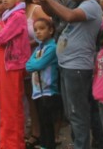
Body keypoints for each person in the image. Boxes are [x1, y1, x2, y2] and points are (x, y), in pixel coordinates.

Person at [36, 0, 103, 149]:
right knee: (71, 112)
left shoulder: (91, 5)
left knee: (77, 113)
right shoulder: (77, 3)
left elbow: (69, 17)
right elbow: (54, 12)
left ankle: (82, 146)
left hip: (78, 67)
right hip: (68, 65)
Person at [0, 0, 30, 149]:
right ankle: (6, 143)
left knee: (12, 106)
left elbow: (0, 38)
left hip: (12, 63)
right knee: (5, 106)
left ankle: (13, 144)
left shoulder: (17, 16)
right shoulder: (8, 15)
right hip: (4, 60)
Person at [26, 17, 61, 149]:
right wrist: (33, 64)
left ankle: (49, 145)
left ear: (51, 30)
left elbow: (37, 64)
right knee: (42, 120)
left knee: (48, 122)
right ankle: (44, 144)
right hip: (37, 91)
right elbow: (28, 65)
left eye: (42, 29)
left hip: (49, 90)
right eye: (35, 30)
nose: (38, 32)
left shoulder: (52, 48)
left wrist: (34, 64)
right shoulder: (39, 48)